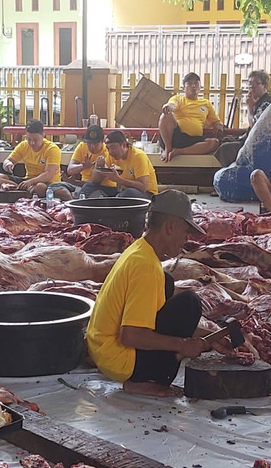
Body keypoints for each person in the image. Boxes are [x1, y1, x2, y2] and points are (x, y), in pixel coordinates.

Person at [87, 190, 229, 397]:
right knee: (189, 303)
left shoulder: (140, 250)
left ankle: (142, 375)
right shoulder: (146, 266)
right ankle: (146, 380)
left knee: (167, 283)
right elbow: (131, 336)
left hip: (103, 350)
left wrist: (210, 337)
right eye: (185, 233)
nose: (185, 240)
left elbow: (154, 319)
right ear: (170, 227)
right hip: (119, 359)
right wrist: (182, 345)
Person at [214, 70, 271, 166]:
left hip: (257, 144)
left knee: (225, 149)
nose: (251, 88)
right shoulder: (258, 102)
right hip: (249, 139)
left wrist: (249, 107)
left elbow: (256, 126)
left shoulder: (267, 102)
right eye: (250, 84)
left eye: (256, 84)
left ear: (265, 86)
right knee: (224, 141)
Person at [158, 72, 224, 162]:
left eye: (196, 83)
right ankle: (168, 148)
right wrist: (168, 107)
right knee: (165, 116)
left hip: (194, 142)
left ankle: (178, 152)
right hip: (176, 137)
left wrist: (219, 127)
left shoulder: (206, 103)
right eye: (189, 83)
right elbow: (172, 105)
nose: (193, 86)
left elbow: (216, 122)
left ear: (200, 87)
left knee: (214, 143)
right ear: (183, 88)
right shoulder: (178, 99)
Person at [0, 119, 61, 197]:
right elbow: (8, 160)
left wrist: (30, 182)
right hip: (27, 180)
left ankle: (17, 192)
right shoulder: (23, 145)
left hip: (46, 182)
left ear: (43, 135)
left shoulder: (52, 149)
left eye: (35, 140)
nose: (32, 143)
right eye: (29, 139)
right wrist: (8, 164)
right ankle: (20, 190)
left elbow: (48, 175)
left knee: (40, 187)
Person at [81, 130, 158, 199]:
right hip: (122, 192)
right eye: (108, 148)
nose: (110, 151)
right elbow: (95, 181)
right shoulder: (111, 156)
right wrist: (98, 167)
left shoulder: (138, 156)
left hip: (145, 194)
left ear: (124, 145)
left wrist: (118, 180)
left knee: (127, 194)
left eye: (113, 147)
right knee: (88, 187)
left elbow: (143, 187)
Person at [49, 125, 115, 201]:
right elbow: (70, 170)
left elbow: (95, 181)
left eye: (95, 143)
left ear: (102, 141)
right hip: (82, 185)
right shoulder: (82, 146)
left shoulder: (107, 152)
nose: (92, 146)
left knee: (90, 190)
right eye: (89, 143)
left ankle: (75, 198)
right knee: (53, 187)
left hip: (102, 187)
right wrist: (83, 166)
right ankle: (72, 199)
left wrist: (76, 182)